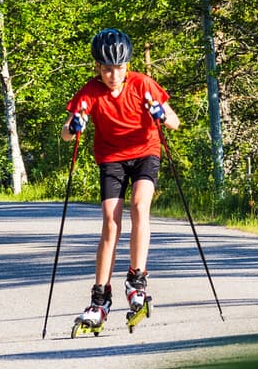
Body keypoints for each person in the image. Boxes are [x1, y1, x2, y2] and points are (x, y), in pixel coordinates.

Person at [63, 28, 179, 330]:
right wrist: (75, 125)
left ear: (127, 65)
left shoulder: (143, 84)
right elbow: (65, 134)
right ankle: (99, 301)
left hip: (145, 152)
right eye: (106, 69)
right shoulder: (90, 91)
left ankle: (136, 282)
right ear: (98, 67)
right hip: (111, 158)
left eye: (119, 68)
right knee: (110, 222)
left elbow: (175, 122)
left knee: (140, 207)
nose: (113, 75)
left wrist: (160, 114)